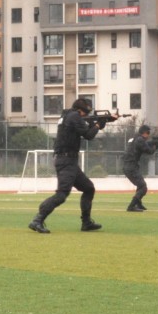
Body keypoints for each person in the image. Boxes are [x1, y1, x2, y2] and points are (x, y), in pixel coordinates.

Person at [29, 98, 108, 233]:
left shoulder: (68, 115)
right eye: (85, 113)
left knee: (89, 188)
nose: (86, 116)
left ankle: (86, 222)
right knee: (62, 194)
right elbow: (89, 135)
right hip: (66, 161)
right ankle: (37, 220)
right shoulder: (74, 116)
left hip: (68, 161)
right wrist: (97, 126)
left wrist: (97, 124)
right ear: (79, 110)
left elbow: (83, 130)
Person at [122, 125, 158, 212]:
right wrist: (157, 146)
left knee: (140, 186)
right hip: (131, 167)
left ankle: (138, 204)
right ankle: (131, 206)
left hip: (128, 166)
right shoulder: (140, 140)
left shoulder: (134, 139)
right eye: (148, 133)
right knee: (143, 187)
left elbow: (145, 144)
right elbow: (149, 151)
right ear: (144, 132)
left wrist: (153, 143)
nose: (148, 135)